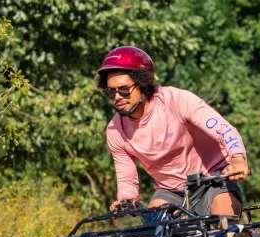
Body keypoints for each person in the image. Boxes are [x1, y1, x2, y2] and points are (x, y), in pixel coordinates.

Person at [99, 46, 250, 217]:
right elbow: (127, 180)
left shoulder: (176, 101)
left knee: (222, 229)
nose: (117, 97)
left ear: (142, 83)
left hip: (213, 178)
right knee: (152, 236)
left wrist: (237, 159)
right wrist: (126, 200)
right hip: (170, 191)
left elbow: (224, 130)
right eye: (110, 92)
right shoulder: (115, 130)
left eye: (124, 90)